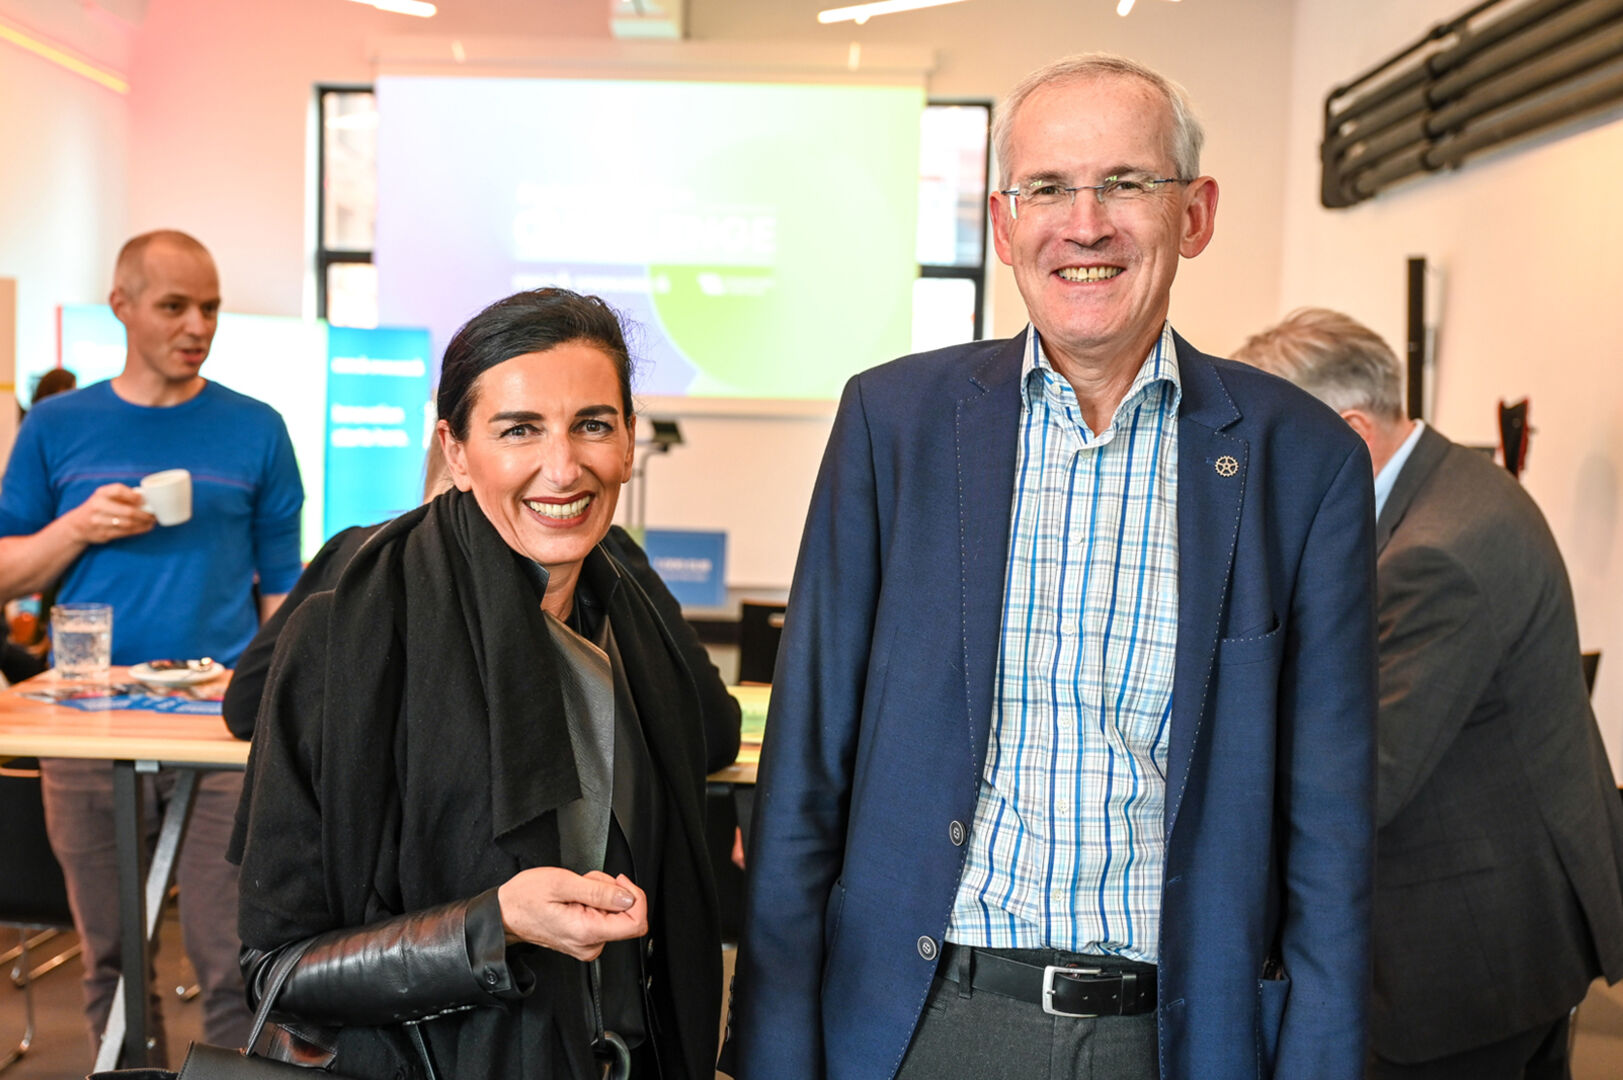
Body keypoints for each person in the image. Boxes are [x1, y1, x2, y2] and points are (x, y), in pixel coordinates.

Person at [725, 53, 1378, 1080]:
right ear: (1002, 222)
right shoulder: (893, 425)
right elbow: (805, 767)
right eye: (1047, 188)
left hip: (1175, 1036)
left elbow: (1330, 833)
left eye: (1125, 182)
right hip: (916, 1024)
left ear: (1195, 214)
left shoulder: (1302, 461)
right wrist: (773, 1050)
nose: (1085, 224)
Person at [230, 288, 730, 1080]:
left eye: (592, 425)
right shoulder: (351, 628)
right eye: (519, 429)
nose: (562, 467)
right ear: (455, 452)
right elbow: (279, 971)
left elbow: (712, 732)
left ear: (630, 440)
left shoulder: (626, 609)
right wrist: (494, 926)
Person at [1234, 307, 1623, 1079]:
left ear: (1348, 432)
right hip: (1517, 910)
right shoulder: (1449, 485)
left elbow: (1361, 777)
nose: (1259, 472)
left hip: (1467, 948)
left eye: (1274, 446)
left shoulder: (1433, 553)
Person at [0, 230, 304, 1061]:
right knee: (109, 955)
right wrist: (77, 527)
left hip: (219, 726)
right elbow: (7, 571)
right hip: (85, 723)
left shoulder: (256, 428)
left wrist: (280, 705)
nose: (197, 325)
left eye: (209, 306)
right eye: (174, 306)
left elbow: (284, 592)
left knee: (230, 953)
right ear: (122, 306)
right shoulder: (57, 425)